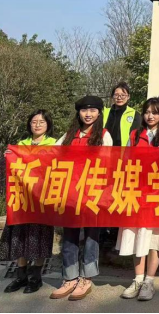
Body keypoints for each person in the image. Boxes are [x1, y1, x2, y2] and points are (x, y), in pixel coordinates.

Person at [51, 96, 113, 301]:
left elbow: (108, 164)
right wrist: (19, 154)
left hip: (93, 193)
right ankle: (69, 278)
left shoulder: (104, 135)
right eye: (84, 110)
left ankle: (87, 278)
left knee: (91, 236)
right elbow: (49, 154)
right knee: (69, 236)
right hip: (70, 193)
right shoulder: (69, 135)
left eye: (93, 110)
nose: (88, 114)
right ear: (78, 113)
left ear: (99, 113)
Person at [117, 98, 159, 302]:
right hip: (138, 191)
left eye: (155, 112)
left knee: (155, 237)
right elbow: (126, 160)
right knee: (138, 235)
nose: (150, 116)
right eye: (147, 112)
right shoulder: (135, 135)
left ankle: (149, 281)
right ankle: (137, 279)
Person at [0, 110, 57, 295]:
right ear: (29, 124)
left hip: (42, 198)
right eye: (34, 121)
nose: (37, 125)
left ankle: (36, 277)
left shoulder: (55, 144)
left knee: (40, 237)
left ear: (48, 125)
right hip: (22, 199)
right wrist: (9, 155)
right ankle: (21, 276)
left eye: (41, 122)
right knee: (19, 236)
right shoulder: (20, 145)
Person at [103, 82, 141, 147]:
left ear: (128, 96)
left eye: (123, 95)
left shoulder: (134, 114)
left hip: (125, 150)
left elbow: (137, 136)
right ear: (112, 96)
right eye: (116, 95)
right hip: (105, 149)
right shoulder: (105, 112)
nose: (119, 98)